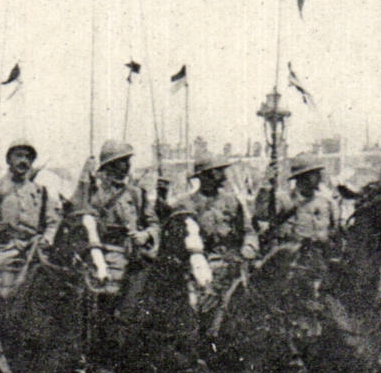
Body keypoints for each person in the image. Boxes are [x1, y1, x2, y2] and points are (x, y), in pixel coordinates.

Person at [0, 140, 56, 373]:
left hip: (33, 250)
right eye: (18, 156)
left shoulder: (41, 192)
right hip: (1, 249)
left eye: (28, 157)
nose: (23, 161)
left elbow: (52, 221)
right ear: (9, 160)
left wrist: (47, 238)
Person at [175, 155, 258, 341]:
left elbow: (249, 231)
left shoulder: (232, 202)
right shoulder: (185, 204)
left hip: (233, 265)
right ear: (206, 175)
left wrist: (249, 248)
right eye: (218, 171)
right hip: (199, 267)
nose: (223, 175)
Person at [76, 140, 158, 287]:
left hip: (138, 256)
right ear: (110, 165)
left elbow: (154, 224)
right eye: (122, 161)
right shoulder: (95, 193)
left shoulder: (136, 193)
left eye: (128, 161)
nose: (128, 165)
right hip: (106, 256)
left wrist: (145, 235)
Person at [270, 156, 341, 246]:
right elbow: (265, 217)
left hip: (320, 255)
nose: (320, 177)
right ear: (303, 177)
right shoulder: (285, 201)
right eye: (315, 174)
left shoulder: (327, 202)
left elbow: (335, 230)